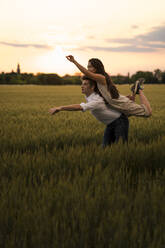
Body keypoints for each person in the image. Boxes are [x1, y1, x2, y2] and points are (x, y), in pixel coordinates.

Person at [49, 76, 129, 147]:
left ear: (92, 87)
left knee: (120, 147)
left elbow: (79, 107)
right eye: (82, 84)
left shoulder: (97, 100)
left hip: (120, 122)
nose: (82, 86)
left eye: (85, 84)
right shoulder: (89, 96)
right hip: (110, 123)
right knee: (105, 147)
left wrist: (60, 108)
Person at [66, 55, 152, 117]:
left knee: (147, 112)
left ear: (96, 68)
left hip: (120, 104)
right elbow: (108, 94)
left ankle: (139, 90)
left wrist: (74, 61)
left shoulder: (101, 77)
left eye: (90, 67)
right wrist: (125, 97)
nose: (88, 69)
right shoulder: (97, 80)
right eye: (88, 67)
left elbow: (86, 73)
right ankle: (134, 90)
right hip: (116, 103)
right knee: (125, 115)